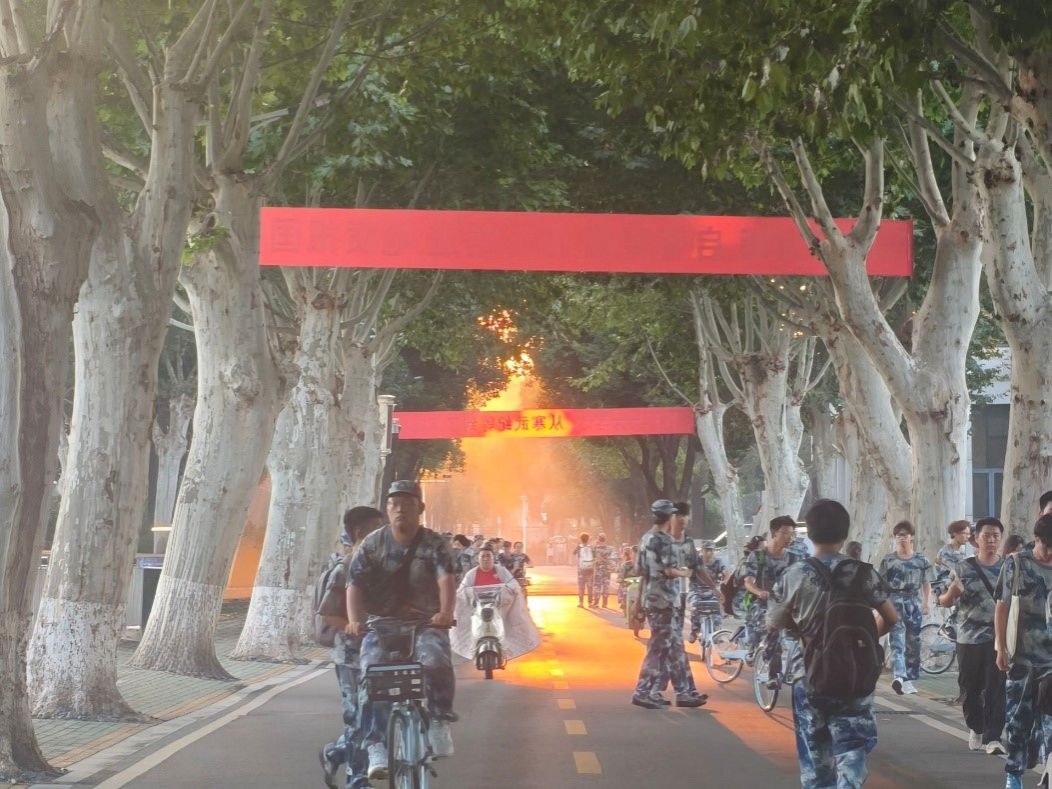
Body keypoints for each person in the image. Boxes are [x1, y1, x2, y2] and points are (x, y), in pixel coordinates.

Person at [768, 499, 898, 789]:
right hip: (855, 675)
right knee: (852, 750)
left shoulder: (793, 575)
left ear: (810, 533)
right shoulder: (864, 573)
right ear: (844, 533)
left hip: (809, 675)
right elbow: (892, 617)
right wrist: (862, 644)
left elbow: (773, 622)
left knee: (816, 760)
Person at [346, 481, 457, 780]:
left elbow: (446, 580)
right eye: (394, 504)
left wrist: (445, 613)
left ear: (420, 508)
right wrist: (354, 620)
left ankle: (439, 720)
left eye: (407, 504)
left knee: (435, 659)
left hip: (425, 622)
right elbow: (354, 584)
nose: (400, 510)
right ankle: (376, 744)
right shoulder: (372, 544)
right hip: (381, 624)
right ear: (387, 510)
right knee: (370, 673)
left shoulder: (434, 544)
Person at [318, 506, 384, 789]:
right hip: (350, 658)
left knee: (378, 717)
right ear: (359, 532)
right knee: (358, 720)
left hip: (381, 655)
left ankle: (335, 752)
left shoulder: (383, 567)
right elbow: (328, 615)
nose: (383, 534)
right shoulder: (344, 569)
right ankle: (357, 780)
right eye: (377, 528)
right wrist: (353, 625)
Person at [938, 516, 1006, 754]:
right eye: (986, 535)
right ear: (976, 538)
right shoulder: (963, 568)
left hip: (998, 638)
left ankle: (993, 737)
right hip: (968, 637)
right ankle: (976, 727)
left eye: (996, 536)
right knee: (970, 688)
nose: (991, 540)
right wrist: (952, 592)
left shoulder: (1008, 568)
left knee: (997, 687)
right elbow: (943, 601)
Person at [630, 500, 706, 709]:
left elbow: (639, 570)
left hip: (653, 598)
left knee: (675, 647)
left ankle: (684, 692)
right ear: (670, 516)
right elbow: (669, 570)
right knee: (658, 649)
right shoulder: (665, 541)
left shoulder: (646, 538)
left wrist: (639, 601)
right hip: (665, 600)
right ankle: (642, 692)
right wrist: (685, 573)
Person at [996, 513, 1052, 789]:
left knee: (1050, 721)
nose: (1050, 553)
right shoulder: (1017, 564)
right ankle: (1014, 773)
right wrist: (1000, 647)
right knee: (1019, 719)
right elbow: (1002, 605)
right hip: (1022, 657)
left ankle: (1049, 771)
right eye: (1046, 547)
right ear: (1036, 539)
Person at [452, 547, 540, 663]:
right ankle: (475, 646)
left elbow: (512, 584)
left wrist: (512, 590)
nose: (486, 559)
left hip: (499, 607)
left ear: (493, 558)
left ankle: (503, 646)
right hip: (478, 608)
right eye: (483, 556)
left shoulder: (501, 571)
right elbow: (462, 590)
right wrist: (466, 594)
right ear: (478, 559)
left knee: (509, 621)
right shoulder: (471, 574)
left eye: (488, 556)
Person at [879, 520, 935, 695]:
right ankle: (899, 676)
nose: (901, 538)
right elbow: (881, 585)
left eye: (904, 535)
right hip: (894, 601)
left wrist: (926, 602)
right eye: (898, 535)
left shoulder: (921, 560)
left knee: (913, 642)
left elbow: (927, 582)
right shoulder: (888, 560)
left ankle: (909, 678)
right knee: (897, 640)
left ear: (911, 537)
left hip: (913, 602)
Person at [742, 515, 799, 659]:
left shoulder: (793, 558)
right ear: (774, 534)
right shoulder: (758, 556)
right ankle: (761, 657)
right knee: (769, 628)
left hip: (785, 605)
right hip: (762, 603)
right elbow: (748, 582)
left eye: (792, 534)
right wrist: (760, 592)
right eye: (785, 533)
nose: (790, 537)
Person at [688, 540, 726, 641]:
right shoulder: (697, 562)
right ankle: (694, 630)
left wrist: (725, 577)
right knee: (694, 606)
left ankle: (717, 631)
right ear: (702, 551)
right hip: (696, 590)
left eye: (711, 550)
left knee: (718, 609)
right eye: (707, 550)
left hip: (713, 591)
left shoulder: (718, 562)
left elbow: (725, 572)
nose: (709, 553)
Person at [592, 533, 617, 608]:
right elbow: (614, 558)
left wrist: (595, 543)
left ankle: (596, 603)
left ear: (598, 539)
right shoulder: (610, 549)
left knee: (597, 586)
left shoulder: (595, 548)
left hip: (598, 570)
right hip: (607, 570)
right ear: (605, 539)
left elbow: (592, 557)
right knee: (606, 586)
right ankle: (605, 603)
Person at [573, 533, 596, 608]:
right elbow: (595, 556)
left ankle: (581, 603)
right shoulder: (591, 547)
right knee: (590, 587)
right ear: (588, 539)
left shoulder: (579, 547)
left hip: (581, 570)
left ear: (581, 539)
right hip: (590, 569)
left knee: (581, 587)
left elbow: (574, 553)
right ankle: (590, 603)